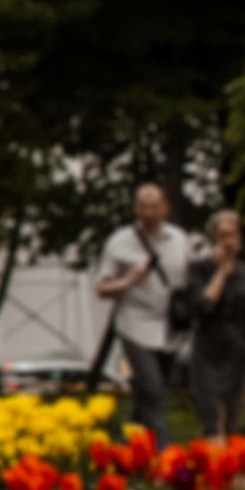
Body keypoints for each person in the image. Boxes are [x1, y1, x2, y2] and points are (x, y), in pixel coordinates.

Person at [91, 183, 190, 440]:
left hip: (170, 328)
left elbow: (190, 278)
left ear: (165, 208)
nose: (149, 213)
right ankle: (163, 456)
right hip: (135, 326)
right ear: (136, 209)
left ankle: (128, 447)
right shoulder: (120, 243)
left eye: (154, 206)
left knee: (150, 395)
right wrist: (128, 281)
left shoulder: (179, 240)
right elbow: (101, 289)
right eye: (143, 207)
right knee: (153, 390)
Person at [185, 208, 245, 443]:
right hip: (208, 347)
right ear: (214, 240)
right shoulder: (199, 268)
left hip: (236, 348)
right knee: (211, 410)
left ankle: (229, 464)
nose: (229, 242)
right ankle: (212, 461)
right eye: (223, 236)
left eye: (233, 235)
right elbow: (203, 305)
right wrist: (221, 271)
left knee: (231, 414)